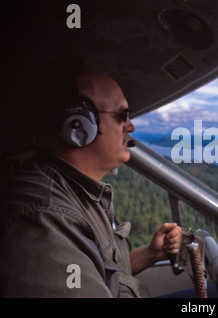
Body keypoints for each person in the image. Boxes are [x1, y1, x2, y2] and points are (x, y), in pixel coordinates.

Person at [0, 56, 182, 297]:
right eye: (121, 115)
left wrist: (150, 253)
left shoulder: (72, 194)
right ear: (77, 124)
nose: (131, 126)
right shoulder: (44, 220)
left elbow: (101, 272)